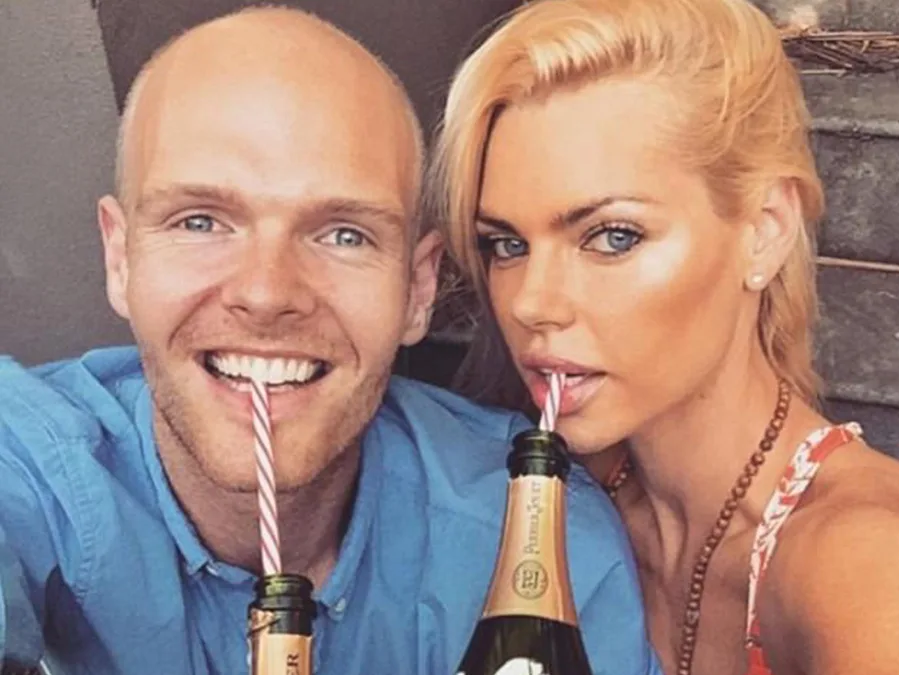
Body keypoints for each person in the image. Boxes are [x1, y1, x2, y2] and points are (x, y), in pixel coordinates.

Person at [0, 6, 662, 675]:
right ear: (120, 259)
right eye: (200, 221)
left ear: (417, 290)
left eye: (344, 234)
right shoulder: (34, 460)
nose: (265, 293)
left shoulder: (538, 533)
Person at [430, 0, 899, 673]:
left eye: (612, 236)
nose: (530, 302)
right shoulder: (543, 506)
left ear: (763, 229)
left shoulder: (861, 562)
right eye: (505, 243)